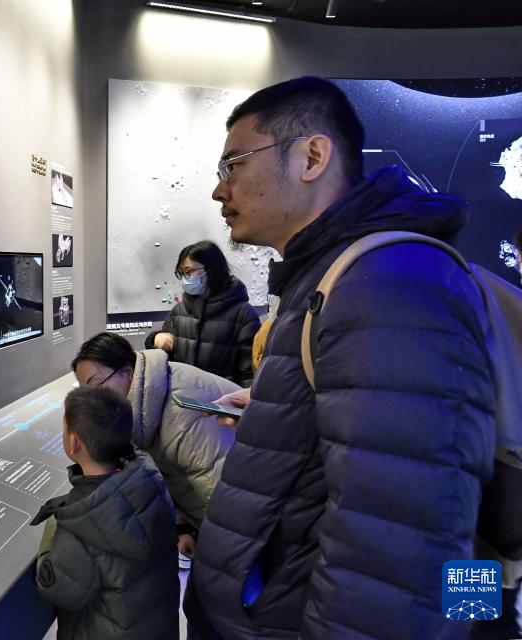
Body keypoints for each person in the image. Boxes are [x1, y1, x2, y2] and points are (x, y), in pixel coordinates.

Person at [182, 76, 497, 639]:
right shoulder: (337, 275)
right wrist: (279, 406)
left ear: (312, 157)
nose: (219, 190)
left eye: (234, 165)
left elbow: (400, 553)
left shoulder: (390, 285)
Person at [71, 332, 238, 560]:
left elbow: (233, 513)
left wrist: (216, 566)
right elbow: (169, 472)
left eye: (97, 385)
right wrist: (183, 525)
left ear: (128, 371)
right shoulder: (145, 400)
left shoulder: (183, 417)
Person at [32, 385, 179, 639]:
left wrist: (55, 523)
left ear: (73, 442)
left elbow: (58, 587)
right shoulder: (148, 478)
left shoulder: (81, 525)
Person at [145, 240, 260, 387]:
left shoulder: (244, 315)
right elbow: (163, 360)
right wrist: (155, 339)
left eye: (189, 271)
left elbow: (248, 374)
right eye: (182, 273)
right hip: (182, 396)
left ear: (211, 270)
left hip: (224, 397)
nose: (185, 278)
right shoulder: (178, 311)